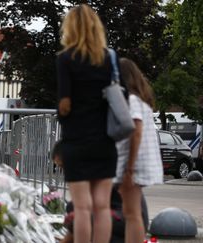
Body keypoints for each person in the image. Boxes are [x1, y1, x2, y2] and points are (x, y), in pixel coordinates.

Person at [56, 4, 122, 243]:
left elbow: (64, 105)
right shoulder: (109, 58)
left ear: (71, 28)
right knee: (102, 207)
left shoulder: (65, 59)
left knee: (82, 208)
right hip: (104, 142)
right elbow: (118, 96)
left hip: (77, 141)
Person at [115, 58, 163, 243]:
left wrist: (129, 167)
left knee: (131, 212)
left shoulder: (132, 100)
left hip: (134, 164)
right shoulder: (142, 101)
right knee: (131, 211)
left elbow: (135, 132)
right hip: (139, 162)